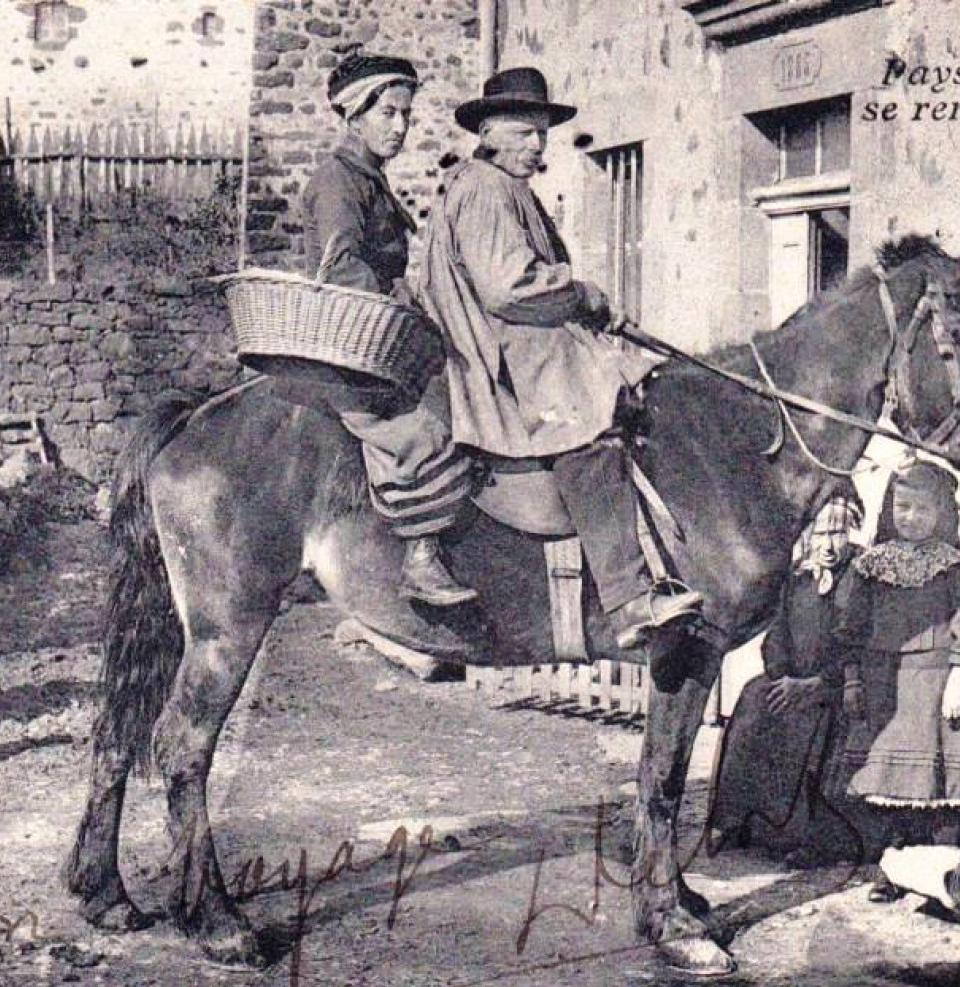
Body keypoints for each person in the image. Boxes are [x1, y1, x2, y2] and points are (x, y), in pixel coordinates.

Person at [418, 67, 702, 649]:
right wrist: (584, 293)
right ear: (490, 131)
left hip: (529, 336)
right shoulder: (483, 187)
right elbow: (507, 287)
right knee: (590, 424)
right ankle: (627, 599)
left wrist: (591, 309)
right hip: (506, 350)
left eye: (542, 133)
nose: (536, 145)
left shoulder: (503, 188)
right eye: (524, 132)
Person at [301, 52, 478, 608]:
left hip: (380, 330)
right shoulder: (337, 181)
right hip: (355, 338)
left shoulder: (369, 180)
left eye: (406, 115)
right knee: (433, 418)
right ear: (356, 116)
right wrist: (398, 302)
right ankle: (420, 553)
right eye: (389, 114)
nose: (400, 127)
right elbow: (340, 266)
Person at [833, 461, 960, 900]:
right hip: (886, 684)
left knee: (939, 790)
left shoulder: (955, 566)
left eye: (922, 509)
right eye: (902, 507)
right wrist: (852, 682)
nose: (911, 518)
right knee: (891, 787)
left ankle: (947, 880)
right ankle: (895, 872)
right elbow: (850, 630)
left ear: (941, 512)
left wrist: (958, 678)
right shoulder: (869, 566)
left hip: (936, 683)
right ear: (890, 508)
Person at [710, 497, 872, 864]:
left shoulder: (861, 578)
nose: (829, 545)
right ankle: (739, 819)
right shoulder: (797, 577)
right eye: (821, 534)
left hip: (838, 685)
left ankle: (807, 838)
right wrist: (783, 677)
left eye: (839, 533)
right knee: (755, 699)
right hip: (792, 681)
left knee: (816, 728)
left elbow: (860, 643)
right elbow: (776, 635)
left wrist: (818, 684)